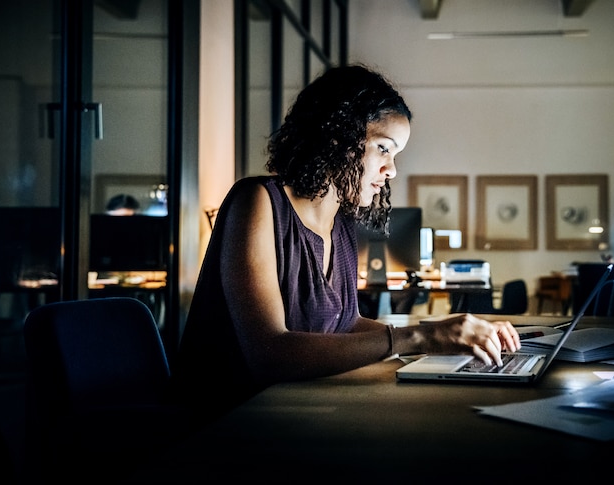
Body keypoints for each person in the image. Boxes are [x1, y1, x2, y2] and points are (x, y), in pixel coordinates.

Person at [172, 64, 521, 423]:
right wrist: (417, 338)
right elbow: (269, 354)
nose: (392, 170)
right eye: (384, 149)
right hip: (226, 422)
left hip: (297, 411)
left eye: (395, 155)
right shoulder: (257, 201)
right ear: (338, 136)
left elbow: (346, 324)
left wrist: (444, 333)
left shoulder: (340, 224)